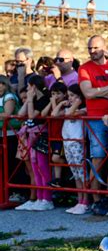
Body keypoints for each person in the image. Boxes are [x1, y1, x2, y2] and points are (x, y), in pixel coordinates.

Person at [78, 35, 108, 215]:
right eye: (90, 48)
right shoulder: (84, 68)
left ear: (104, 47)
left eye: (95, 48)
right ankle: (96, 199)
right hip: (95, 119)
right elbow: (87, 93)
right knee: (97, 158)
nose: (92, 51)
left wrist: (98, 91)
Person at [17, 75, 53, 211]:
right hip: (31, 135)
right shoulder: (33, 99)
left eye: (28, 86)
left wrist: (30, 100)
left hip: (41, 135)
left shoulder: (44, 99)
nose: (27, 89)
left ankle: (47, 198)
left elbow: (32, 115)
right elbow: (21, 114)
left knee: (43, 167)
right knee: (35, 167)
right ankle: (39, 197)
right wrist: (28, 101)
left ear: (33, 86)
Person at [61, 84, 88, 214]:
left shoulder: (83, 108)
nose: (70, 98)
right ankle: (79, 200)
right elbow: (55, 114)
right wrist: (61, 103)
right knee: (75, 173)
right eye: (68, 95)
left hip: (77, 142)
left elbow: (70, 114)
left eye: (72, 95)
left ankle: (86, 201)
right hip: (67, 141)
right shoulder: (69, 108)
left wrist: (77, 103)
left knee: (82, 172)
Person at [41, 82, 68, 188]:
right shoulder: (53, 104)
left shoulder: (65, 104)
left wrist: (55, 103)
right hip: (52, 136)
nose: (55, 96)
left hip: (61, 136)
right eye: (53, 94)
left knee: (56, 158)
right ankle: (57, 179)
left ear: (64, 94)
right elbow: (43, 114)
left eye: (58, 94)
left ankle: (69, 164)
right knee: (54, 159)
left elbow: (54, 115)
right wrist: (51, 102)